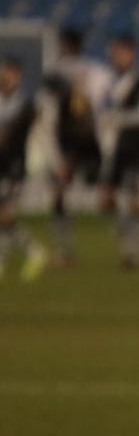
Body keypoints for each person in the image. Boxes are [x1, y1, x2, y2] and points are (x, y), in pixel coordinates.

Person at [44, 27, 111, 266]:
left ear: (64, 45)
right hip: (91, 139)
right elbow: (103, 97)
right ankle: (123, 243)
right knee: (99, 193)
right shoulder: (96, 69)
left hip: (68, 141)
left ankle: (65, 251)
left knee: (61, 195)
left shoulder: (57, 72)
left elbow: (50, 108)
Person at [100, 33, 139, 270]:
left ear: (131, 54)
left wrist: (120, 119)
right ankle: (138, 238)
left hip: (137, 149)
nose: (117, 56)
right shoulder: (109, 82)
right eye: (115, 52)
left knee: (134, 200)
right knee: (108, 201)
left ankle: (133, 252)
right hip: (116, 149)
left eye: (121, 52)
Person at [0, 56, 46, 282]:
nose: (5, 77)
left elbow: (9, 136)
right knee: (3, 216)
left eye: (9, 73)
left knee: (5, 214)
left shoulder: (26, 105)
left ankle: (34, 250)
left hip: (15, 166)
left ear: (17, 77)